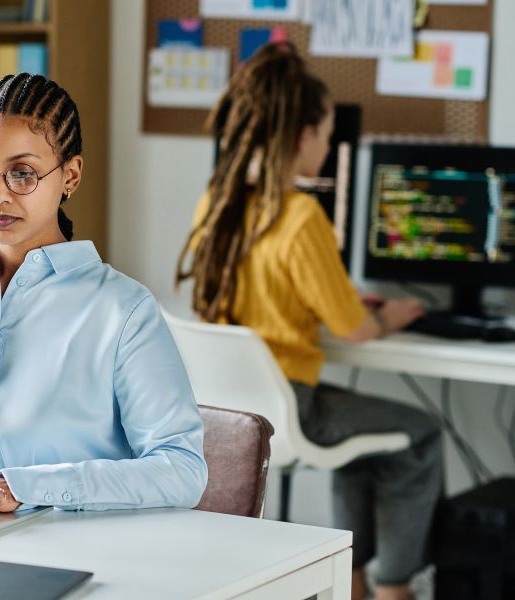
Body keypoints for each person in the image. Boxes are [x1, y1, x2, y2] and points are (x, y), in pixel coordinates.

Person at [176, 43, 442, 600]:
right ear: (302, 137)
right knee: (420, 434)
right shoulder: (301, 217)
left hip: (224, 415)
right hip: (293, 406)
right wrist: (392, 314)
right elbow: (355, 330)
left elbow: (262, 295)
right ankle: (394, 584)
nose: (327, 145)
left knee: (367, 439)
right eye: (324, 134)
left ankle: (354, 578)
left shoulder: (218, 204)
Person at [0, 73, 207, 518]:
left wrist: (30, 487)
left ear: (69, 176)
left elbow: (182, 470)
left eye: (21, 174)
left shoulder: (123, 310)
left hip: (72, 549)